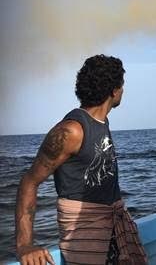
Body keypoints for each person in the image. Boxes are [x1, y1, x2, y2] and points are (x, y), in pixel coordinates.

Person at [15, 55, 146, 265]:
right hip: (85, 235)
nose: (123, 90)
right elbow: (29, 182)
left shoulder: (102, 122)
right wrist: (24, 245)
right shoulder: (71, 131)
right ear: (114, 90)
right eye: (122, 85)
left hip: (112, 229)